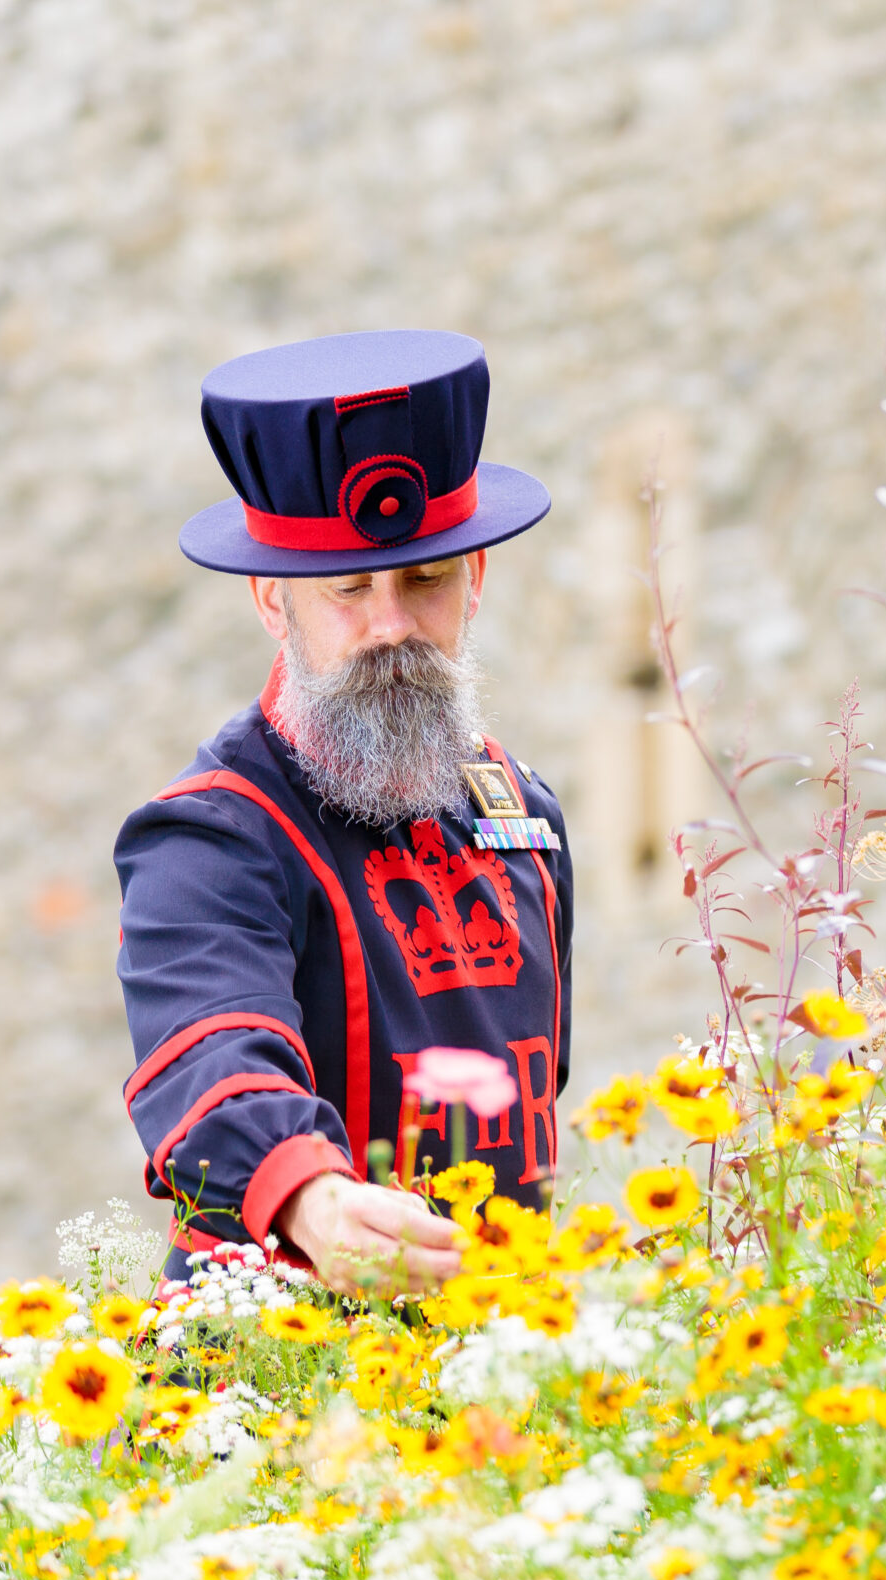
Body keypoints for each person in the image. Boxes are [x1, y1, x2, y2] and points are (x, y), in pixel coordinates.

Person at [113, 330, 571, 1297]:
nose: (392, 624)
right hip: (274, 1382)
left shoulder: (526, 814)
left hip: (496, 1370)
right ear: (271, 601)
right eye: (349, 589)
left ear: (476, 580)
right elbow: (208, 1054)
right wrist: (313, 1199)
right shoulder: (207, 837)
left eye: (427, 579)